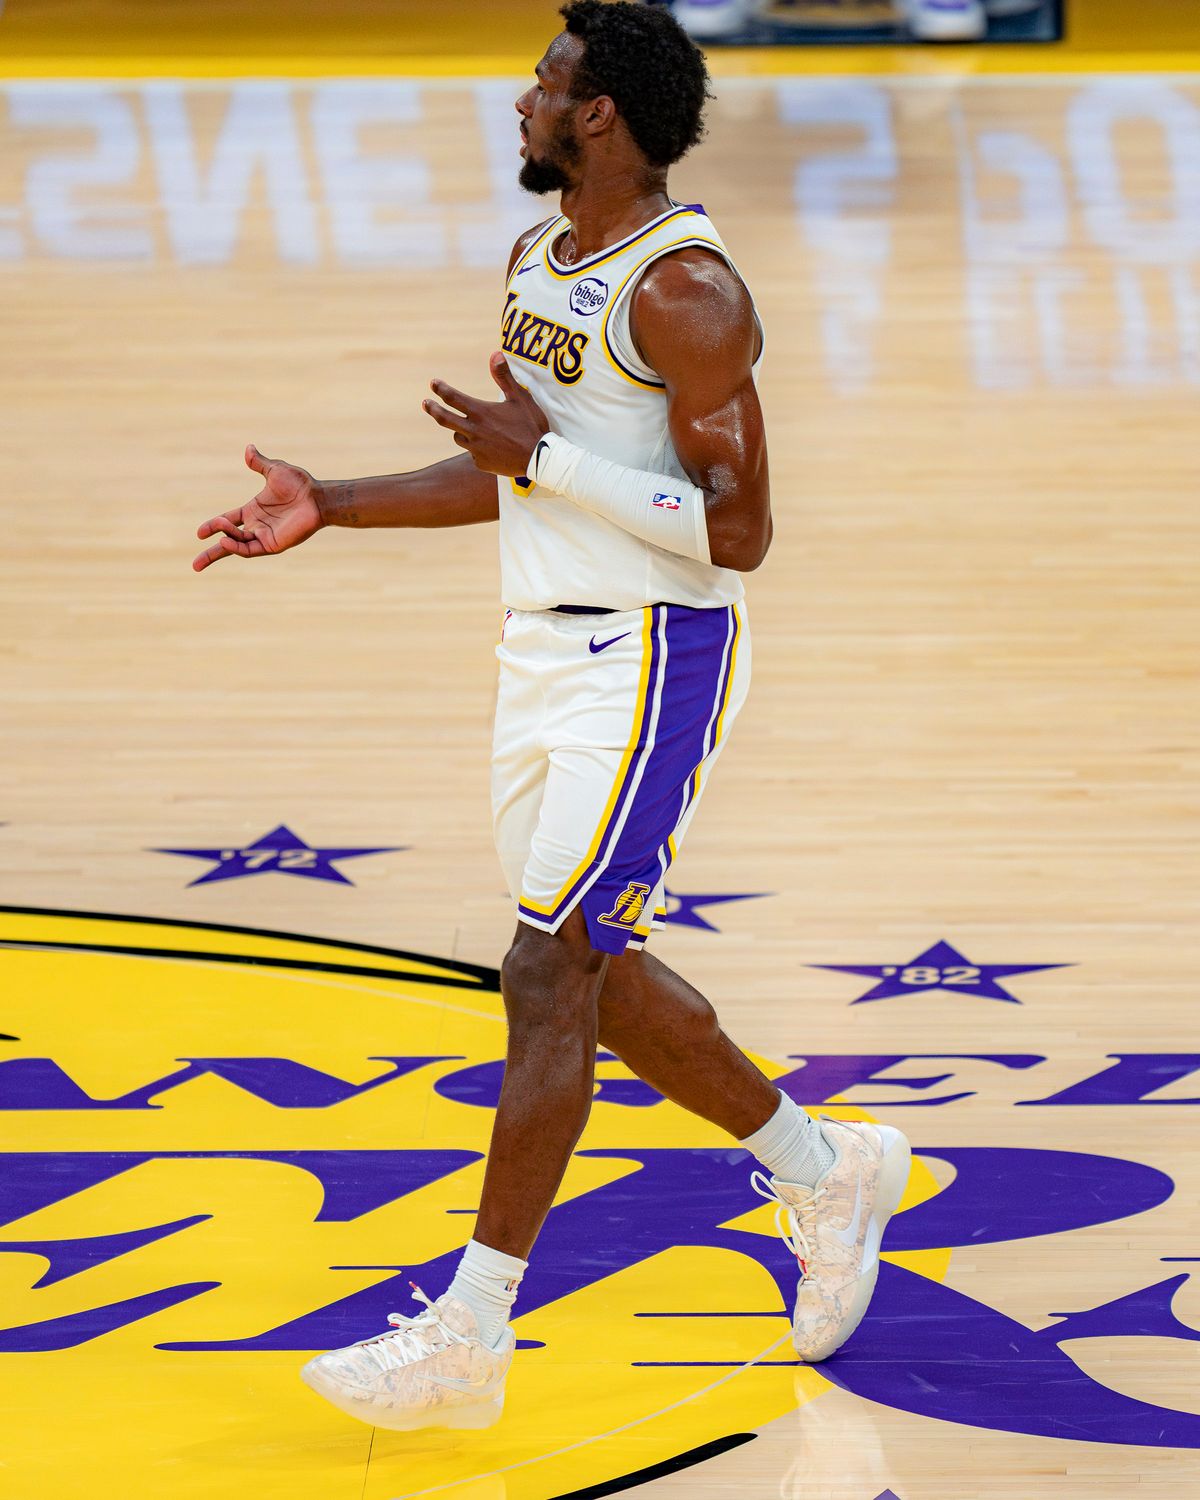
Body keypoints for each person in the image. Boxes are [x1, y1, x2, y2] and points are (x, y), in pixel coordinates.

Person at [192, 0, 910, 1434]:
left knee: (545, 969)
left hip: (654, 661)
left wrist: (554, 463)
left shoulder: (687, 290)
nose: (523, 97)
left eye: (547, 80)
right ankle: (827, 1170)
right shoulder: (540, 261)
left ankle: (472, 1329)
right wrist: (335, 502)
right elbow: (517, 469)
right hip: (542, 656)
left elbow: (744, 529)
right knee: (599, 972)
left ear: (599, 116)